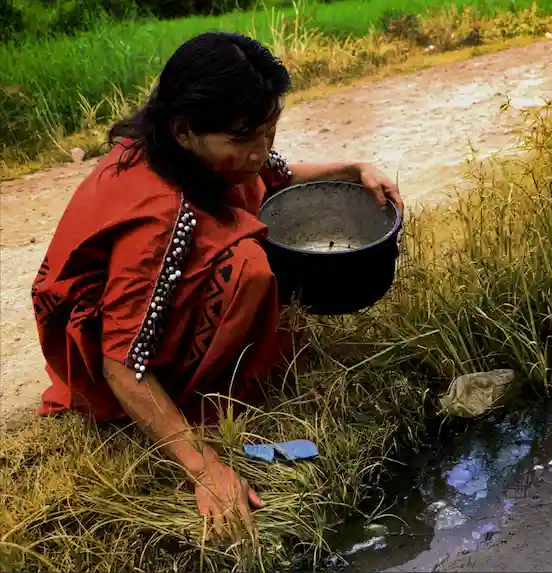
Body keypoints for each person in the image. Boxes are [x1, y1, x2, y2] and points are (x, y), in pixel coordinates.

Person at [31, 32, 403, 542]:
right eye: (244, 137)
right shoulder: (158, 218)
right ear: (185, 129)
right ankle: (203, 406)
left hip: (145, 309)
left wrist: (354, 167)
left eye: (269, 130)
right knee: (248, 265)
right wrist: (204, 467)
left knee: (246, 220)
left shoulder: (189, 147)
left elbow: (276, 172)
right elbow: (120, 362)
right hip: (99, 359)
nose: (261, 150)